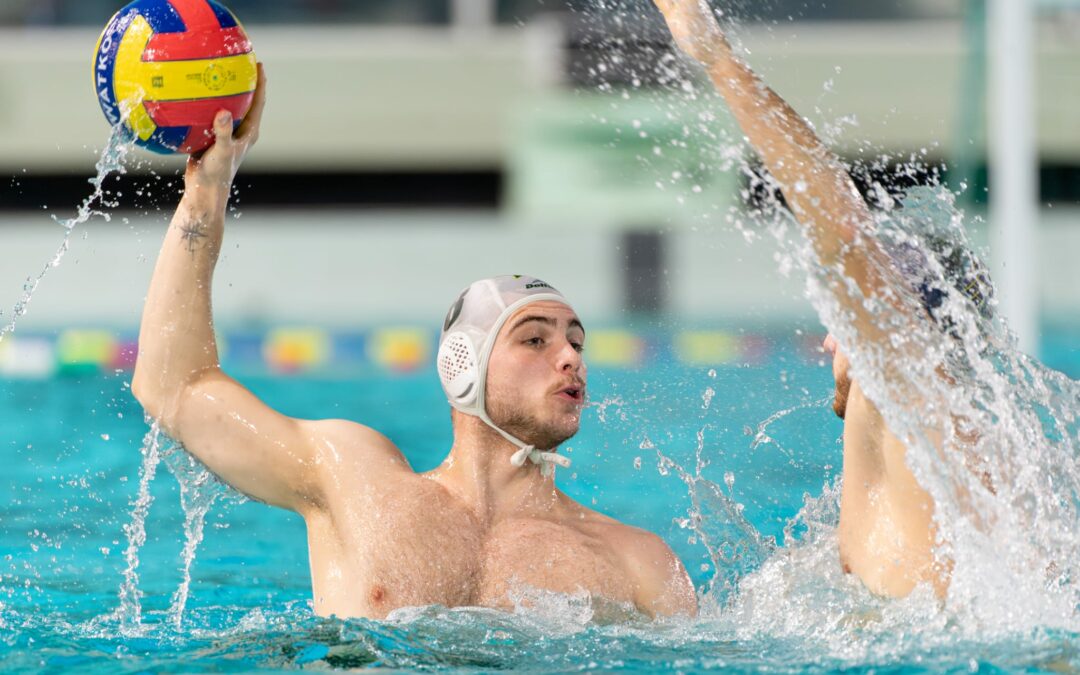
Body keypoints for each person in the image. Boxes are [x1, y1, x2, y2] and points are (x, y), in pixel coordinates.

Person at [131, 64, 697, 621]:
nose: (571, 357)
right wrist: (204, 198)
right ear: (461, 366)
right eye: (534, 340)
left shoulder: (638, 563)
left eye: (576, 342)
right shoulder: (357, 483)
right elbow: (173, 388)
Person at [652, 0, 995, 598]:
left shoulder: (909, 391)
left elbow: (840, 228)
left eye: (845, 317)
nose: (831, 340)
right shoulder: (967, 442)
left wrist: (714, 54)